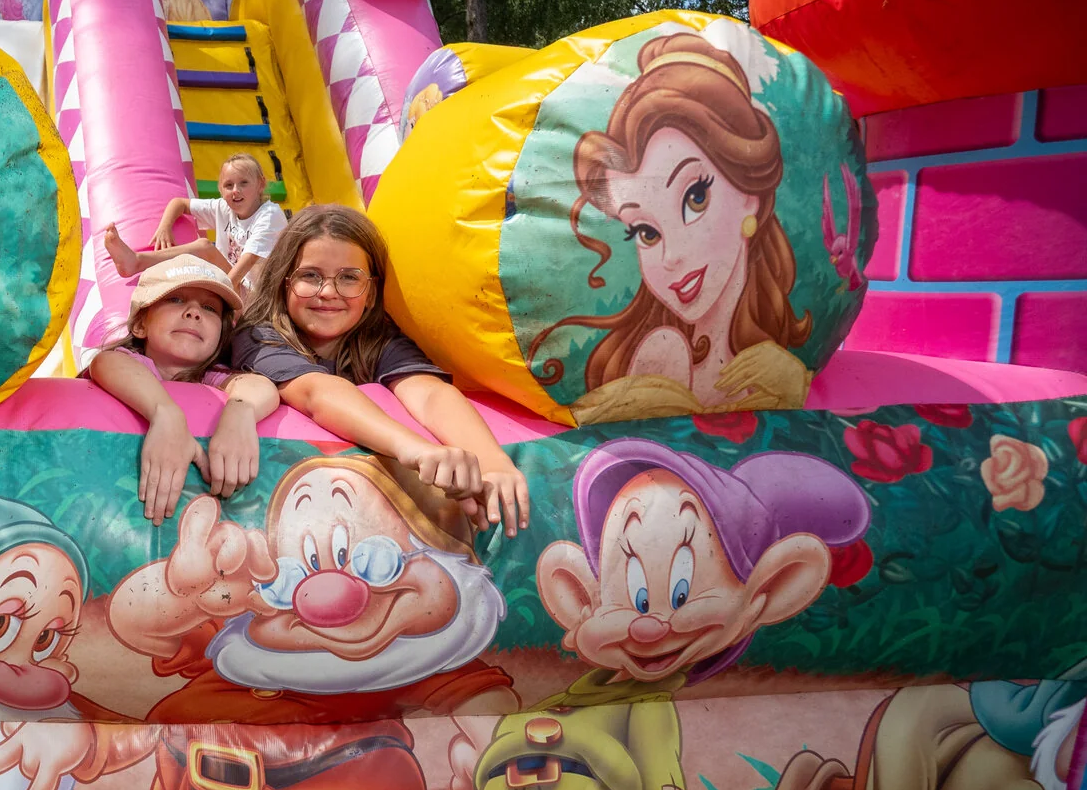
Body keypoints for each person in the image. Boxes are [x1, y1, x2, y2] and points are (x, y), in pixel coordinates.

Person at [526, 31, 814, 421]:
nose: (672, 257)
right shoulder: (659, 354)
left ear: (751, 192)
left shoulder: (776, 365)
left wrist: (794, 381)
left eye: (696, 198)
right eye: (646, 232)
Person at [232, 205, 530, 536]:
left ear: (372, 293)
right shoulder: (257, 337)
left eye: (349, 277)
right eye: (310, 276)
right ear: (283, 283)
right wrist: (415, 449)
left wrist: (491, 460)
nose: (328, 292)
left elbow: (428, 393)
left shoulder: (379, 342)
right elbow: (316, 392)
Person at [87, 255, 280, 525]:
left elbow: (261, 386)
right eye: (176, 300)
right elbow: (105, 362)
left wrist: (240, 413)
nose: (193, 312)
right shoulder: (129, 364)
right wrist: (165, 414)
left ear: (221, 337)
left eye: (209, 308)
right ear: (141, 324)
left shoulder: (210, 379)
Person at [111, 153, 284, 295]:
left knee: (204, 248)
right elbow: (179, 203)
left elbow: (248, 260)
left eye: (244, 183)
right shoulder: (224, 208)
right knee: (203, 246)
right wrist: (165, 227)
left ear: (261, 184)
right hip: (232, 283)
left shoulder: (270, 215)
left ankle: (137, 262)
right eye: (228, 185)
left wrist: (218, 296)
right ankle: (136, 261)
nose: (235, 191)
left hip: (257, 298)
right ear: (220, 190)